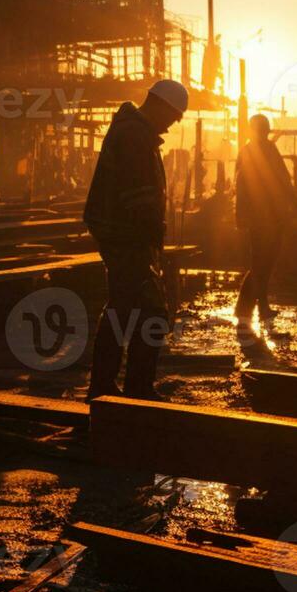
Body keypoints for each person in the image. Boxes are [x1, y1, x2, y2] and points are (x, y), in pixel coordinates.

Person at [84, 79, 187, 400]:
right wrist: (152, 240)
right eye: (172, 117)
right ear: (160, 105)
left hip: (125, 236)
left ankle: (106, 385)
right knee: (151, 312)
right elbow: (139, 197)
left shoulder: (134, 133)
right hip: (128, 238)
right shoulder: (134, 137)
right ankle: (135, 387)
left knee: (123, 309)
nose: (171, 126)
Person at [234, 113, 297, 329]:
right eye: (263, 128)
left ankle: (245, 308)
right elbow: (242, 186)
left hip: (272, 216)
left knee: (263, 264)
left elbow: (282, 180)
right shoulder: (252, 152)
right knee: (262, 263)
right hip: (262, 217)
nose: (266, 132)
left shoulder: (266, 149)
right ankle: (259, 308)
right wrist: (242, 216)